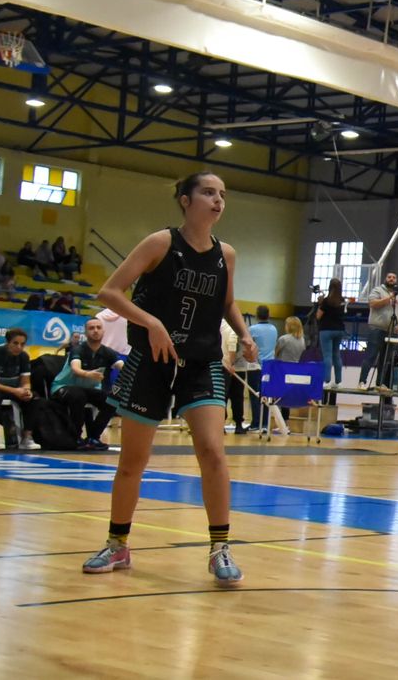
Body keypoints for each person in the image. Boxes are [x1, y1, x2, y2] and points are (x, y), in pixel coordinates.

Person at [85, 171, 254, 587]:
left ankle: (219, 549)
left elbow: (227, 303)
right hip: (151, 361)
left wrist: (245, 333)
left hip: (200, 362)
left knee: (213, 452)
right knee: (132, 462)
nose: (217, 201)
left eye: (222, 195)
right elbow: (109, 293)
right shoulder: (161, 243)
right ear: (185, 199)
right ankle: (118, 544)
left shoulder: (225, 254)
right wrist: (152, 323)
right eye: (208, 193)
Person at [52, 316, 123, 450]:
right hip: (64, 387)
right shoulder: (78, 349)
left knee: (112, 400)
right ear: (85, 333)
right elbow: (75, 368)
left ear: (103, 331)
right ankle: (75, 437)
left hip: (89, 390)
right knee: (79, 396)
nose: (95, 331)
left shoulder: (108, 352)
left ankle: (93, 437)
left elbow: (122, 366)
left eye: (98, 327)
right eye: (91, 328)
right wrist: (88, 374)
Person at [0, 328, 42, 450]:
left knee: (34, 398)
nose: (19, 347)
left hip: (15, 390)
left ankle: (27, 438)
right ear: (7, 342)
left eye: (22, 344)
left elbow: (25, 382)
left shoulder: (24, 356)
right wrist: (14, 391)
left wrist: (26, 391)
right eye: (15, 343)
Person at [357, 272, 398, 390]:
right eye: (389, 277)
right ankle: (362, 382)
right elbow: (373, 304)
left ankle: (380, 383)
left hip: (391, 332)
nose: (392, 279)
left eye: (394, 277)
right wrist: (389, 298)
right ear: (385, 279)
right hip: (377, 329)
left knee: (385, 359)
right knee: (371, 356)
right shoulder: (377, 290)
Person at [317, 278, 347, 387]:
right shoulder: (342, 301)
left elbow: (318, 316)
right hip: (339, 329)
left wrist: (319, 304)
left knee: (327, 356)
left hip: (326, 329)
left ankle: (327, 380)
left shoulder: (326, 301)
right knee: (336, 355)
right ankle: (339, 381)